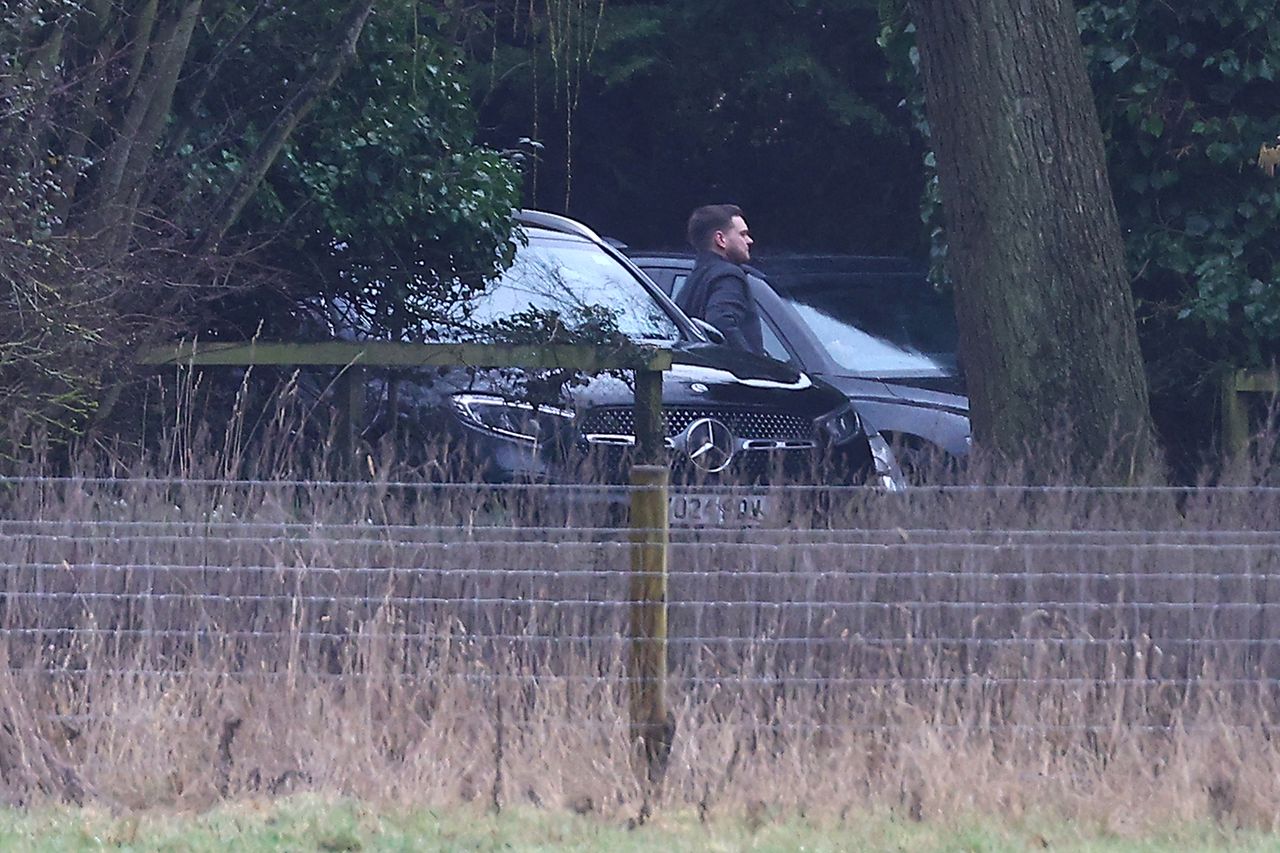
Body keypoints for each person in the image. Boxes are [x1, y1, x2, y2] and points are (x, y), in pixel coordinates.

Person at [674, 204, 765, 356]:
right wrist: (751, 363)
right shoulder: (728, 275)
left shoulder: (696, 277)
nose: (749, 240)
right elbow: (721, 321)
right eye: (742, 234)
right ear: (721, 239)